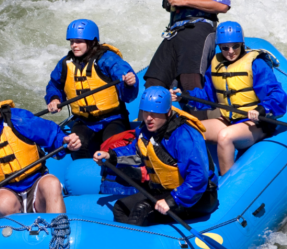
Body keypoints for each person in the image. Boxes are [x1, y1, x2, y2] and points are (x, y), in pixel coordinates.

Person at [0, 76, 82, 217]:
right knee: (6, 202)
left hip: (34, 186)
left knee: (52, 183)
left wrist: (65, 142)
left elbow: (52, 135)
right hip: (0, 193)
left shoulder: (19, 119)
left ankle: (59, 231)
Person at [93, 86, 217, 226]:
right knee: (120, 208)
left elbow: (198, 176)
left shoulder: (184, 136)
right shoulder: (145, 132)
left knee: (141, 210)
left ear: (168, 112)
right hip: (163, 190)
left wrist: (172, 199)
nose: (149, 119)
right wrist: (111, 156)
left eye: (155, 114)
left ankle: (136, 244)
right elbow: (135, 151)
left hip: (197, 196)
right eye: (145, 113)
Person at [180, 21, 287, 175]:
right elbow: (207, 96)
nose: (231, 51)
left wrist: (262, 109)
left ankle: (226, 185)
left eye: (235, 46)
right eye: (225, 48)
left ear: (241, 44)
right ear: (220, 47)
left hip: (256, 124)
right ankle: (198, 178)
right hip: (229, 120)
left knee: (225, 136)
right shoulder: (216, 65)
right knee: (190, 130)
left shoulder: (256, 64)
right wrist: (184, 97)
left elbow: (277, 95)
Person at [45, 19, 138, 159]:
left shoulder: (107, 59)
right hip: (84, 121)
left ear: (92, 41)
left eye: (79, 41)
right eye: (72, 41)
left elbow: (125, 84)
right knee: (77, 146)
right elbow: (54, 84)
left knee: (113, 147)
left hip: (112, 119)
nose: (74, 45)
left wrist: (129, 83)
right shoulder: (65, 63)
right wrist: (54, 98)